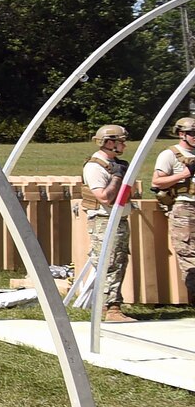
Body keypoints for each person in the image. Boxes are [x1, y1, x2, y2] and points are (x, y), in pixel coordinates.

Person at [81, 123, 133, 322]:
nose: (124, 146)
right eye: (121, 142)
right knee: (110, 262)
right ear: (109, 142)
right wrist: (118, 176)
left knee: (119, 261)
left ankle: (111, 306)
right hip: (104, 220)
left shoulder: (115, 164)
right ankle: (110, 308)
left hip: (117, 220)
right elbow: (104, 197)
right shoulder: (95, 167)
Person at [152, 115, 195, 300]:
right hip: (184, 207)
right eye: (192, 133)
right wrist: (185, 173)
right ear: (181, 134)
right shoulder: (169, 154)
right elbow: (157, 182)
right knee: (188, 254)